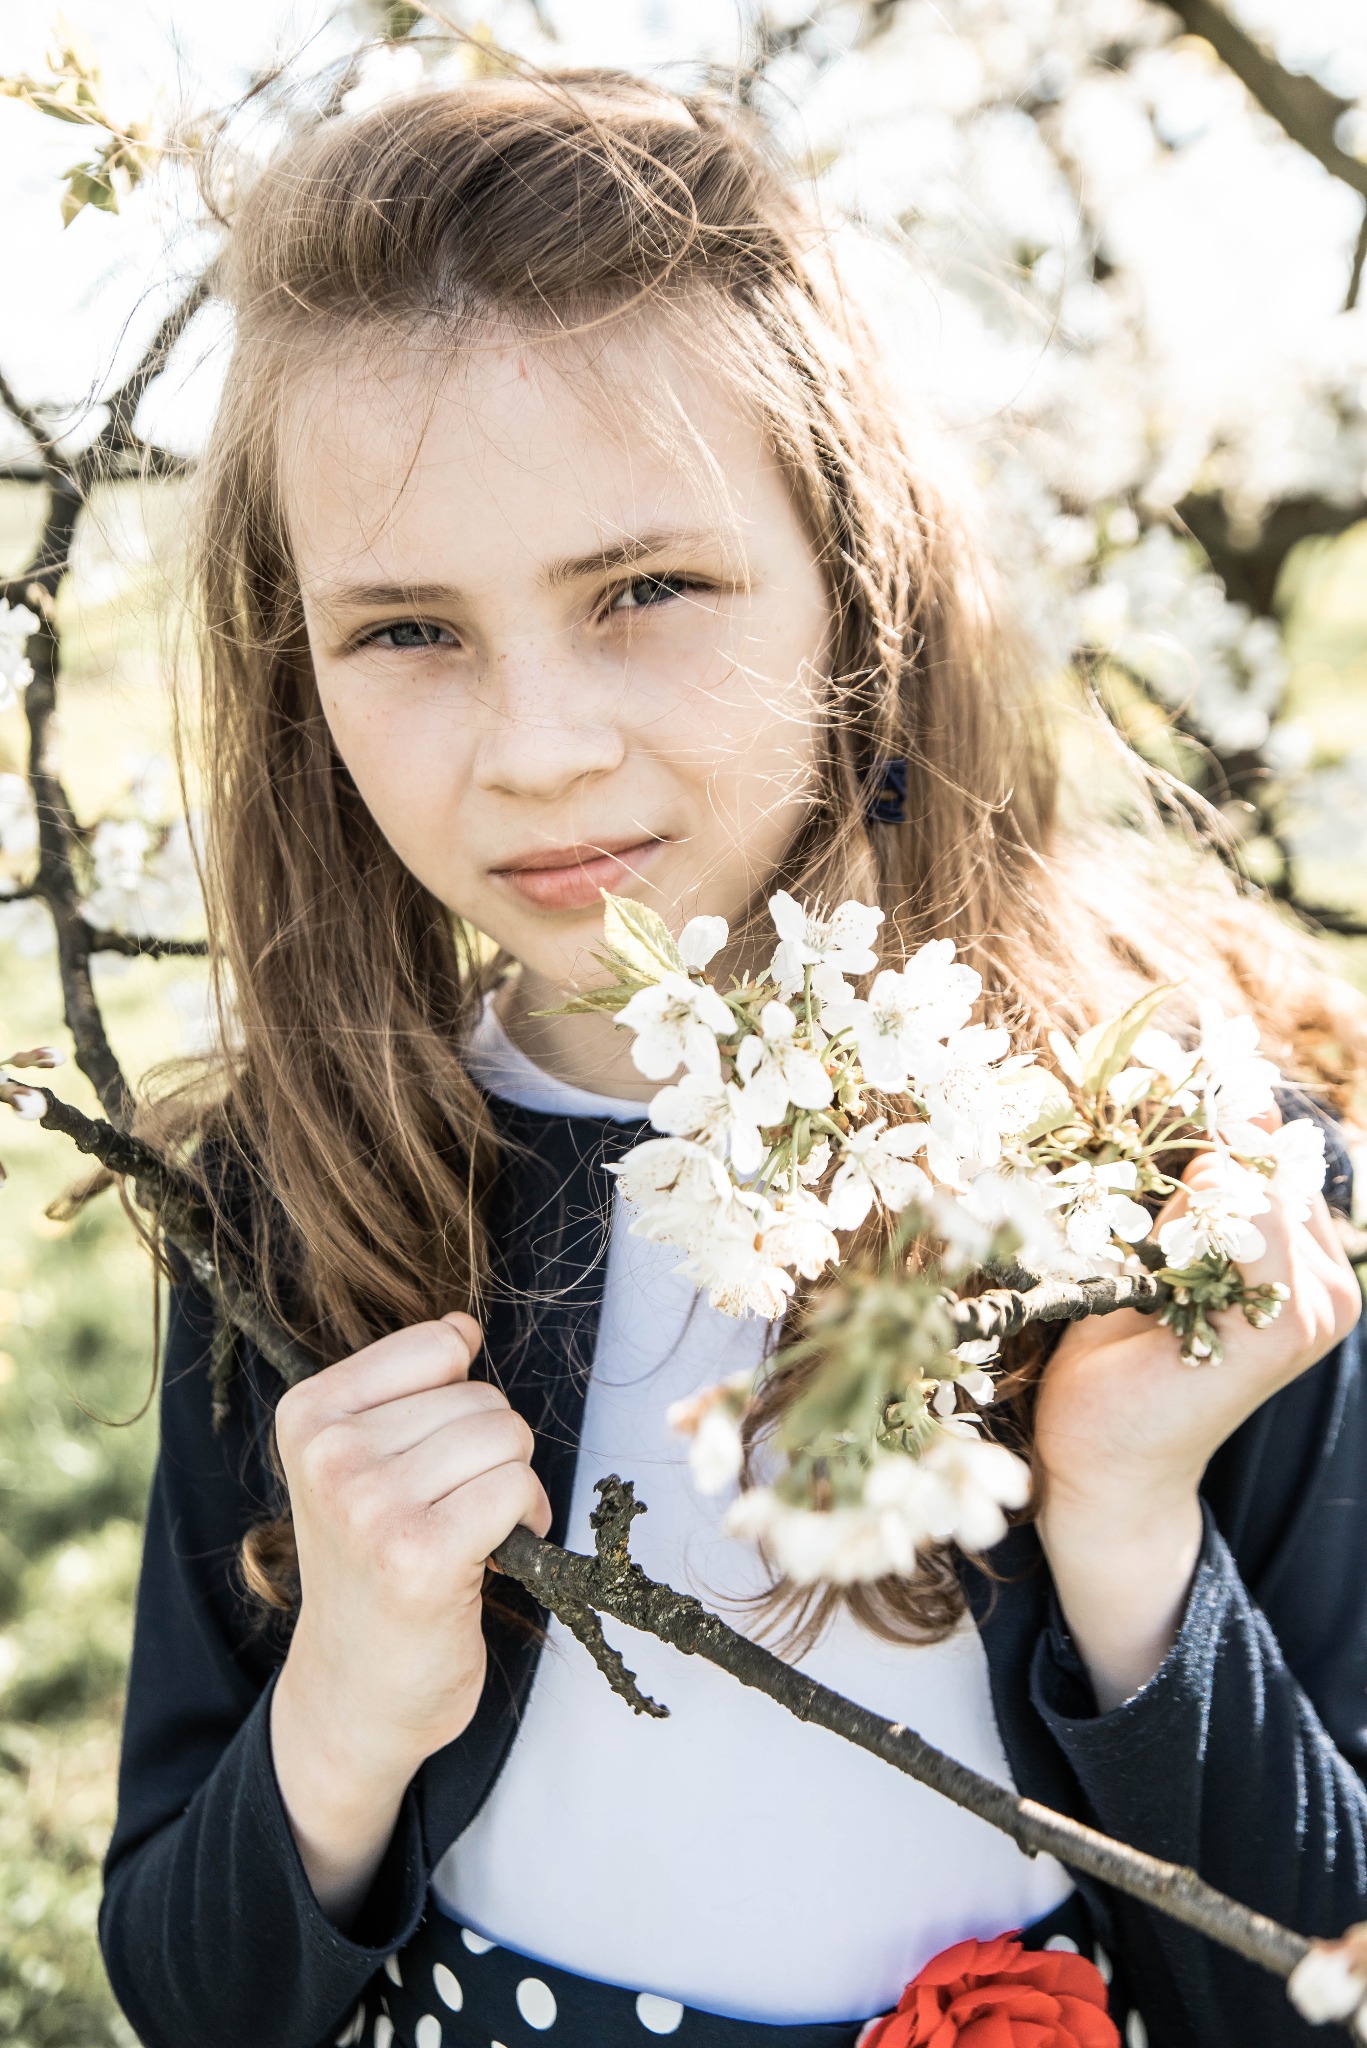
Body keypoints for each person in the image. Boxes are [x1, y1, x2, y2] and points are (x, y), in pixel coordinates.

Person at [98, 70, 1367, 2048]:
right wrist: (342, 1713)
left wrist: (1132, 1537)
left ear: (858, 564)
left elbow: (1316, 1988)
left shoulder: (1172, 1170)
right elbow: (195, 2000)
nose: (536, 746)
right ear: (301, 669)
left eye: (646, 589)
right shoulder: (308, 1194)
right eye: (410, 630)